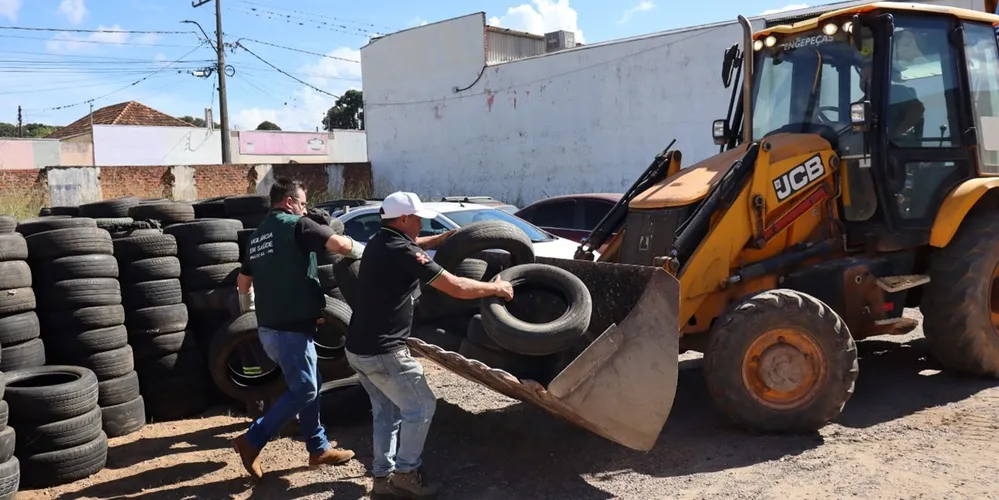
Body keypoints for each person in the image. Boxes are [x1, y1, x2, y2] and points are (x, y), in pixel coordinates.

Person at [345, 191, 514, 498]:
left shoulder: (379, 242)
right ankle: (406, 473)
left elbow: (410, 247)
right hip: (384, 352)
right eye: (419, 218)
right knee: (422, 406)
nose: (422, 224)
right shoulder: (403, 251)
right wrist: (495, 287)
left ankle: (382, 479)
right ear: (404, 219)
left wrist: (438, 241)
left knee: (387, 412)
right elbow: (457, 287)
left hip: (358, 348)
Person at [230, 177, 365, 481]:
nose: (306, 209)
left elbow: (243, 282)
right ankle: (251, 440)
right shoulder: (298, 225)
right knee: (304, 388)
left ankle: (317, 447)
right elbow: (341, 245)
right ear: (290, 202)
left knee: (311, 384)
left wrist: (252, 311)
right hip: (289, 331)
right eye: (303, 203)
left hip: (271, 328)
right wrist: (370, 252)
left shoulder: (257, 236)